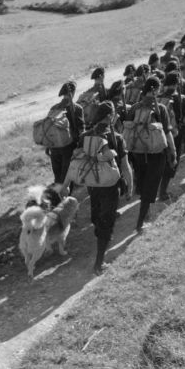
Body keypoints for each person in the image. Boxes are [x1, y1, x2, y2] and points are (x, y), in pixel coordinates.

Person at [63, 101, 133, 275]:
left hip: (92, 184)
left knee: (98, 216)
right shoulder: (116, 137)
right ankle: (99, 263)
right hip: (110, 186)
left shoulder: (85, 136)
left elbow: (74, 162)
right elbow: (124, 165)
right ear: (109, 117)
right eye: (114, 114)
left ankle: (100, 231)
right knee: (106, 223)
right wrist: (130, 186)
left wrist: (65, 184)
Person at [125, 76, 176, 233]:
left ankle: (145, 212)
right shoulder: (160, 108)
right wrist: (172, 153)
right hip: (156, 153)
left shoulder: (133, 108)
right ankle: (140, 224)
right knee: (150, 186)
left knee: (142, 182)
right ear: (157, 89)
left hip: (137, 152)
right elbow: (167, 134)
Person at [157, 72, 185, 200]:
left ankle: (158, 188)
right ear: (177, 84)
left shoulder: (158, 98)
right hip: (174, 135)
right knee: (171, 162)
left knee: (160, 162)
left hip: (157, 135)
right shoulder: (181, 99)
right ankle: (163, 192)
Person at [47, 80, 85, 184]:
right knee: (67, 177)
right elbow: (81, 129)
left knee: (57, 177)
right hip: (69, 148)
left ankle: (58, 197)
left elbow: (48, 129)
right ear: (72, 93)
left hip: (54, 148)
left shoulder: (54, 108)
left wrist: (48, 147)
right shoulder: (77, 108)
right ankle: (65, 197)